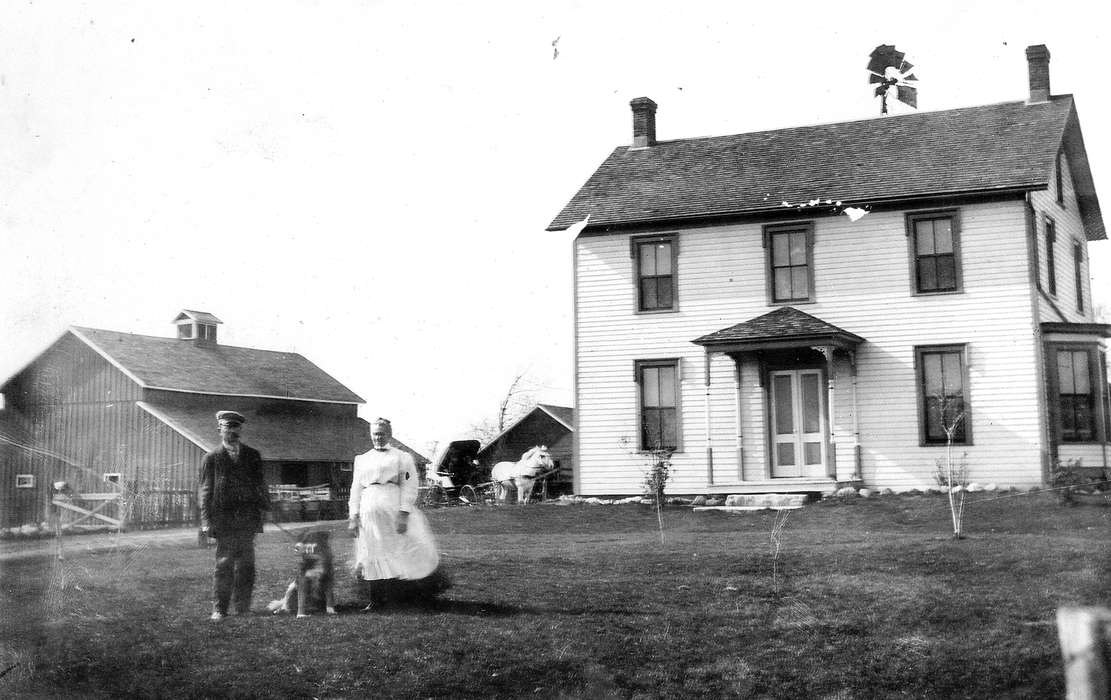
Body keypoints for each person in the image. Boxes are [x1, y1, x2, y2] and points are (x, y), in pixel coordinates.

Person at [348, 417, 446, 607]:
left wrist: (403, 513)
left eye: (382, 434)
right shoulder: (362, 459)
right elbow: (355, 489)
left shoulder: (402, 457)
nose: (378, 438)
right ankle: (375, 601)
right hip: (368, 511)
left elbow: (410, 486)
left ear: (390, 434)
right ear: (370, 435)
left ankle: (400, 597)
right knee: (371, 552)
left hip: (392, 509)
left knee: (397, 551)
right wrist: (353, 515)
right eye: (375, 434)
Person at [198, 410, 271, 621]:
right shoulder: (211, 458)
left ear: (241, 429)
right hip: (224, 521)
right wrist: (205, 521)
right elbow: (204, 491)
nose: (233, 431)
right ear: (219, 429)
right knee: (224, 566)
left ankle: (243, 607)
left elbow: (260, 486)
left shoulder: (252, 456)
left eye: (236, 427)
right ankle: (220, 609)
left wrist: (267, 509)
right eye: (228, 427)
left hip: (248, 520)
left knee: (247, 566)